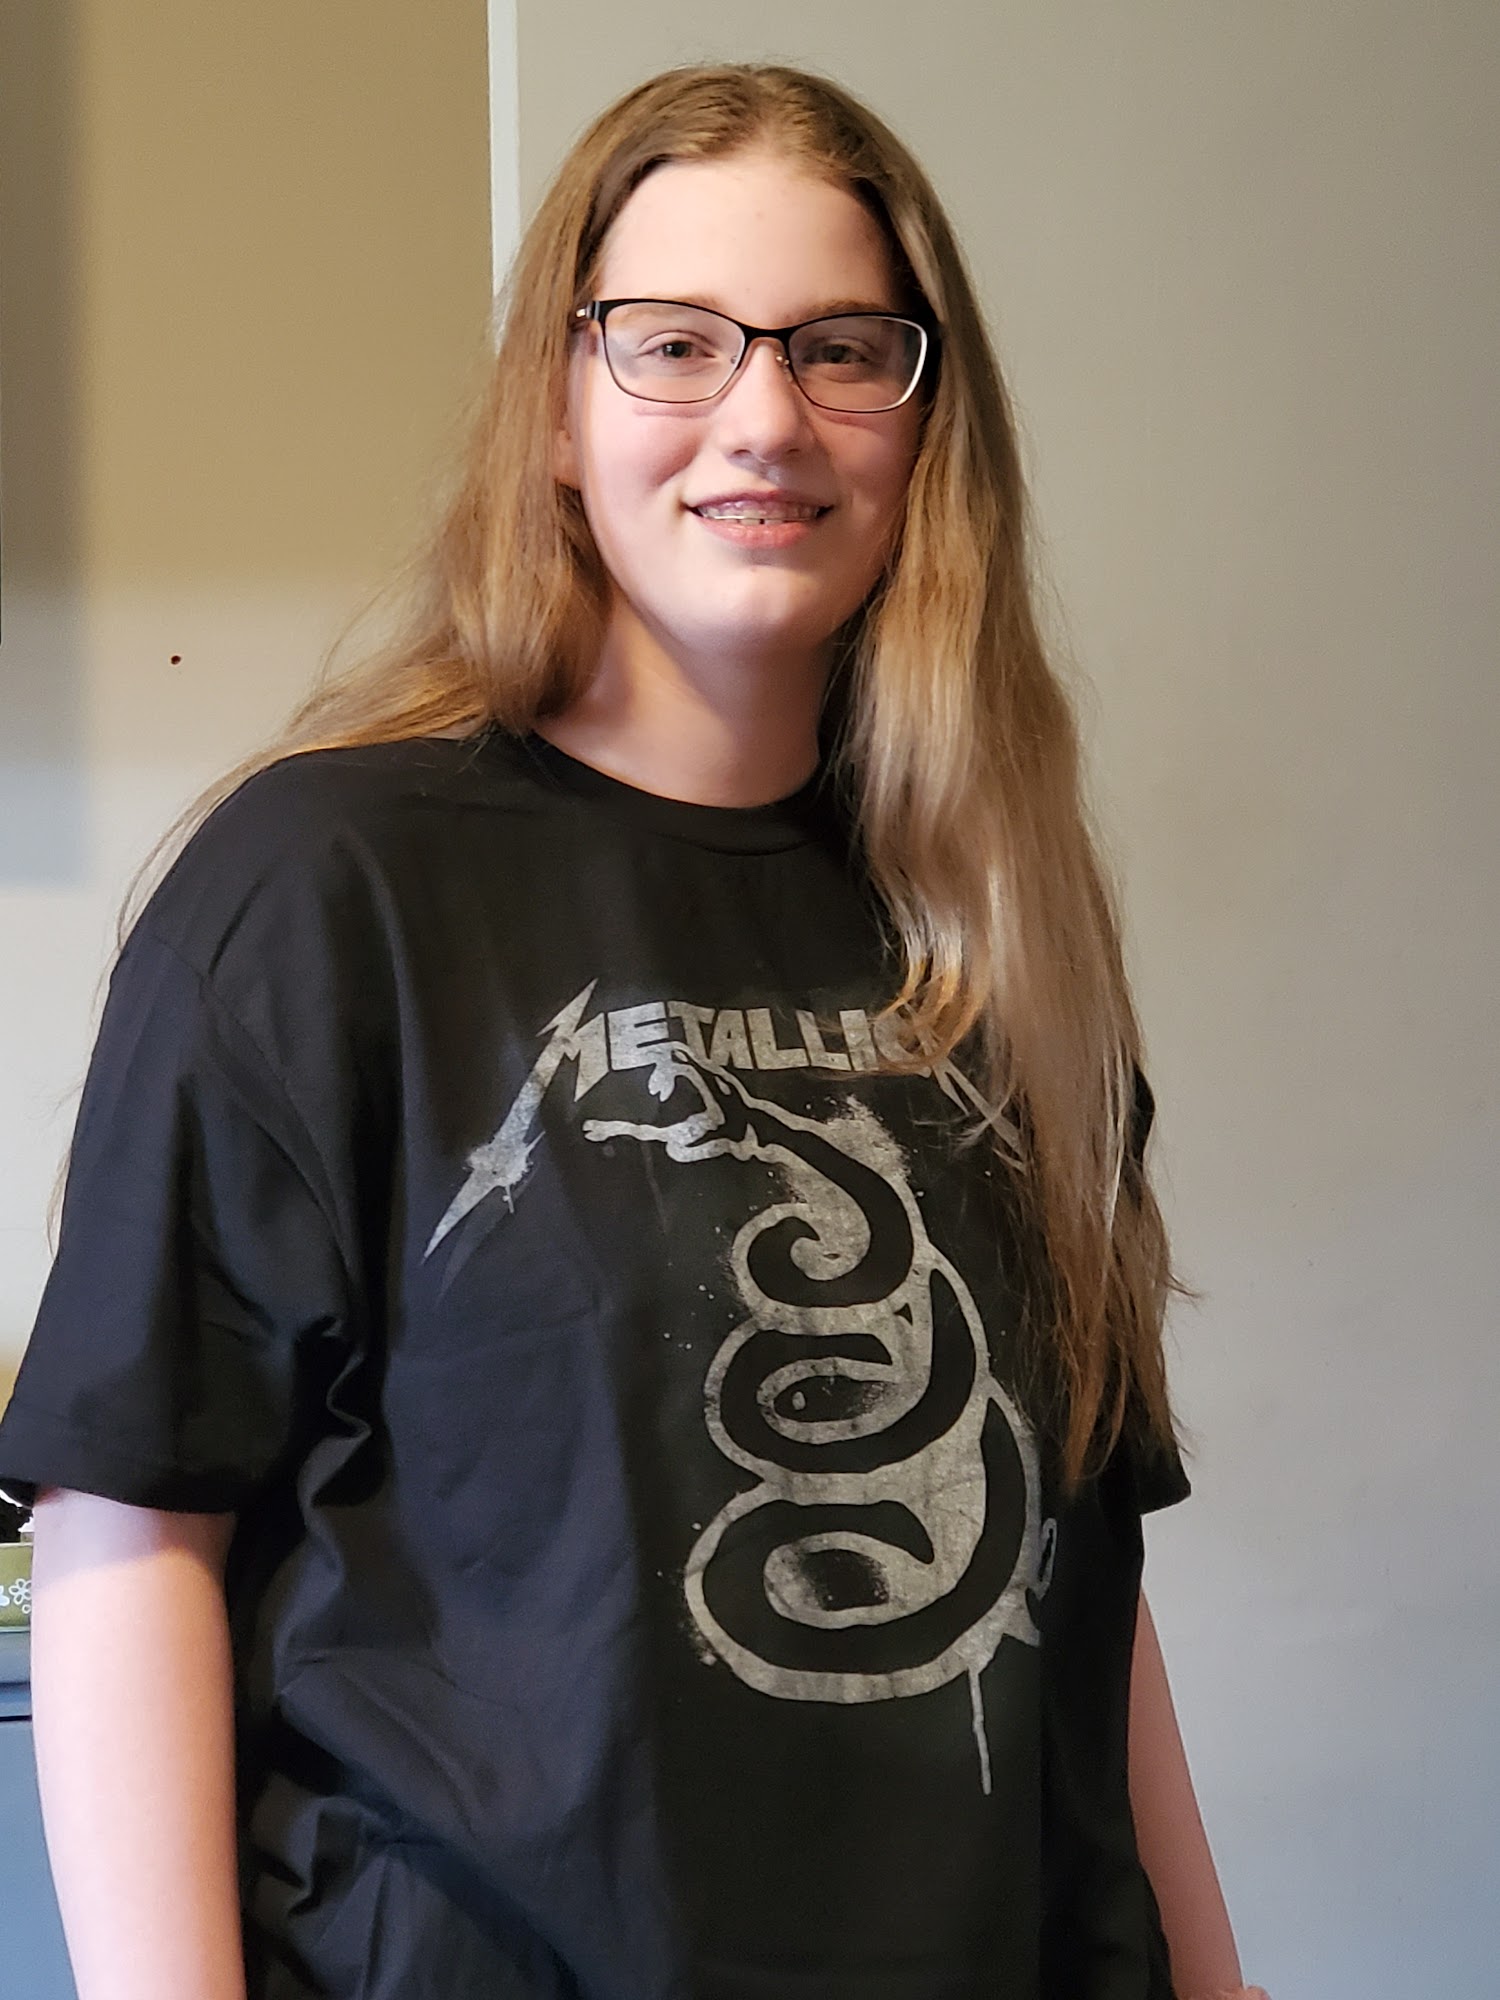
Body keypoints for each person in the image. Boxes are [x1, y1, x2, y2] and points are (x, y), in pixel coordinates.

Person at [0, 62, 1269, 2000]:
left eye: (843, 348)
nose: (765, 416)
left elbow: (1076, 1572)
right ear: (558, 411)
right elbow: (134, 1525)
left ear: (929, 424)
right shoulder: (325, 884)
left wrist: (1217, 1978)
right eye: (675, 343)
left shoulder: (1001, 923)